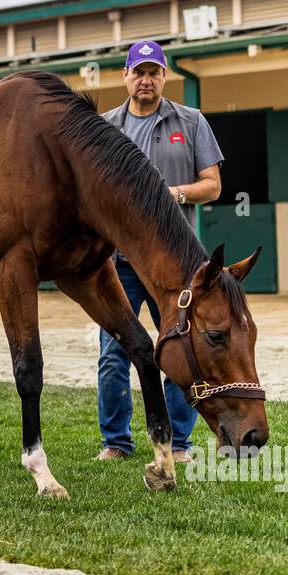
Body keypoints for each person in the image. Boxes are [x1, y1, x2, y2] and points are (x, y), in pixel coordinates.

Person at [95, 39, 224, 463]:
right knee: (114, 353)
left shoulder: (191, 121)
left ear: (164, 76)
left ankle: (180, 443)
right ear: (125, 77)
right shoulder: (104, 128)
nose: (146, 80)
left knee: (178, 349)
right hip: (118, 264)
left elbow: (213, 184)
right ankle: (116, 441)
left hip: (171, 267)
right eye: (139, 72)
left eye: (154, 72)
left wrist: (177, 194)